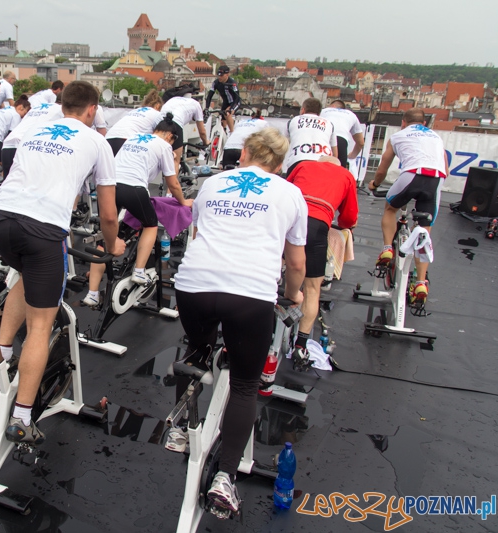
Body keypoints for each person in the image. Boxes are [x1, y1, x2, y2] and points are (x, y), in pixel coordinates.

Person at [172, 128, 306, 516]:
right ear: (280, 164)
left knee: (196, 350)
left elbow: (199, 232)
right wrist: (292, 295)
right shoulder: (289, 193)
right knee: (246, 384)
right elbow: (296, 264)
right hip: (249, 296)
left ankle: (180, 430)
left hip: (194, 286)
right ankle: (225, 477)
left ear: (245, 153)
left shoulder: (214, 182)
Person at [0, 81, 125, 444]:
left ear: (63, 104)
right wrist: (114, 246)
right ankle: (21, 418)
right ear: (92, 110)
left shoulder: (35, 127)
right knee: (40, 326)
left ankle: (0, 356)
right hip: (41, 228)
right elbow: (109, 215)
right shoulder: (97, 141)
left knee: (24, 276)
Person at [82, 114, 191, 307]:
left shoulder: (134, 137)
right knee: (150, 224)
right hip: (133, 189)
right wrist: (183, 201)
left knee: (106, 238)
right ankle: (139, 271)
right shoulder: (164, 146)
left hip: (110, 187)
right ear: (170, 136)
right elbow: (172, 183)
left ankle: (91, 294)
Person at [368, 108, 447, 304]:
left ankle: (387, 248)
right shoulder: (436, 137)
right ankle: (420, 282)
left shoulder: (397, 136)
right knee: (424, 232)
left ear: (403, 122)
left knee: (390, 209)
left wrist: (375, 184)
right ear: (425, 124)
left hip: (411, 175)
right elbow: (445, 168)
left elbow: (382, 169)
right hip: (435, 180)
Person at [286, 156, 358, 368]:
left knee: (275, 270)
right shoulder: (346, 175)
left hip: (290, 218)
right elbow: (349, 218)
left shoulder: (304, 165)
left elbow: (283, 189)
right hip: (317, 224)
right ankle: (301, 345)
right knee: (312, 288)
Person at [0, 101, 64, 177]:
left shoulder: (36, 107)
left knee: (8, 185)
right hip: (25, 146)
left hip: (8, 144)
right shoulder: (61, 110)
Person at [283, 97, 337, 177]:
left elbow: (283, 146)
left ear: (303, 110)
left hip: (298, 161)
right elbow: (335, 153)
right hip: (323, 163)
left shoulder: (293, 121)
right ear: (319, 113)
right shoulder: (329, 124)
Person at [105, 89, 164, 155]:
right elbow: (161, 135)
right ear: (158, 105)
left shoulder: (135, 110)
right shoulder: (156, 114)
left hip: (109, 138)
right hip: (126, 140)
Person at [160, 95, 209, 171]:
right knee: (175, 160)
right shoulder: (197, 105)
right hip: (175, 123)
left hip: (160, 122)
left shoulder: (175, 99)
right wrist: (206, 142)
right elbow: (202, 132)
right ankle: (171, 182)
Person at [320, 100, 364, 169]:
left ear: (332, 106)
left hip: (325, 140)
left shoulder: (323, 111)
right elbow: (360, 143)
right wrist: (352, 156)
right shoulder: (351, 114)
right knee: (339, 175)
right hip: (341, 141)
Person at [205, 64, 241, 129]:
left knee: (227, 114)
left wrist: (231, 109)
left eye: (221, 75)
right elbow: (209, 96)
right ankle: (224, 134)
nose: (219, 77)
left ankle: (232, 133)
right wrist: (207, 108)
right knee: (222, 121)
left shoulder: (232, 83)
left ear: (227, 75)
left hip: (234, 102)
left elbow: (237, 98)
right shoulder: (216, 83)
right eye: (218, 75)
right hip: (225, 103)